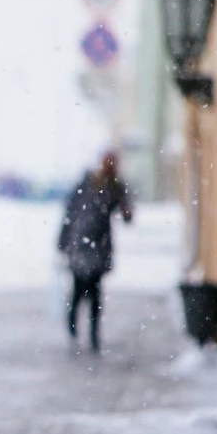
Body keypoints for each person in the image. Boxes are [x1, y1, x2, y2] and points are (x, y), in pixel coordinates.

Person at [57, 150, 134, 352]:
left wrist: (126, 208)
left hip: (98, 246)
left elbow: (127, 215)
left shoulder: (114, 187)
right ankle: (74, 325)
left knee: (95, 293)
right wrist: (63, 241)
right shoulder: (86, 184)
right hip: (80, 243)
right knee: (79, 290)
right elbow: (69, 213)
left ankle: (92, 333)